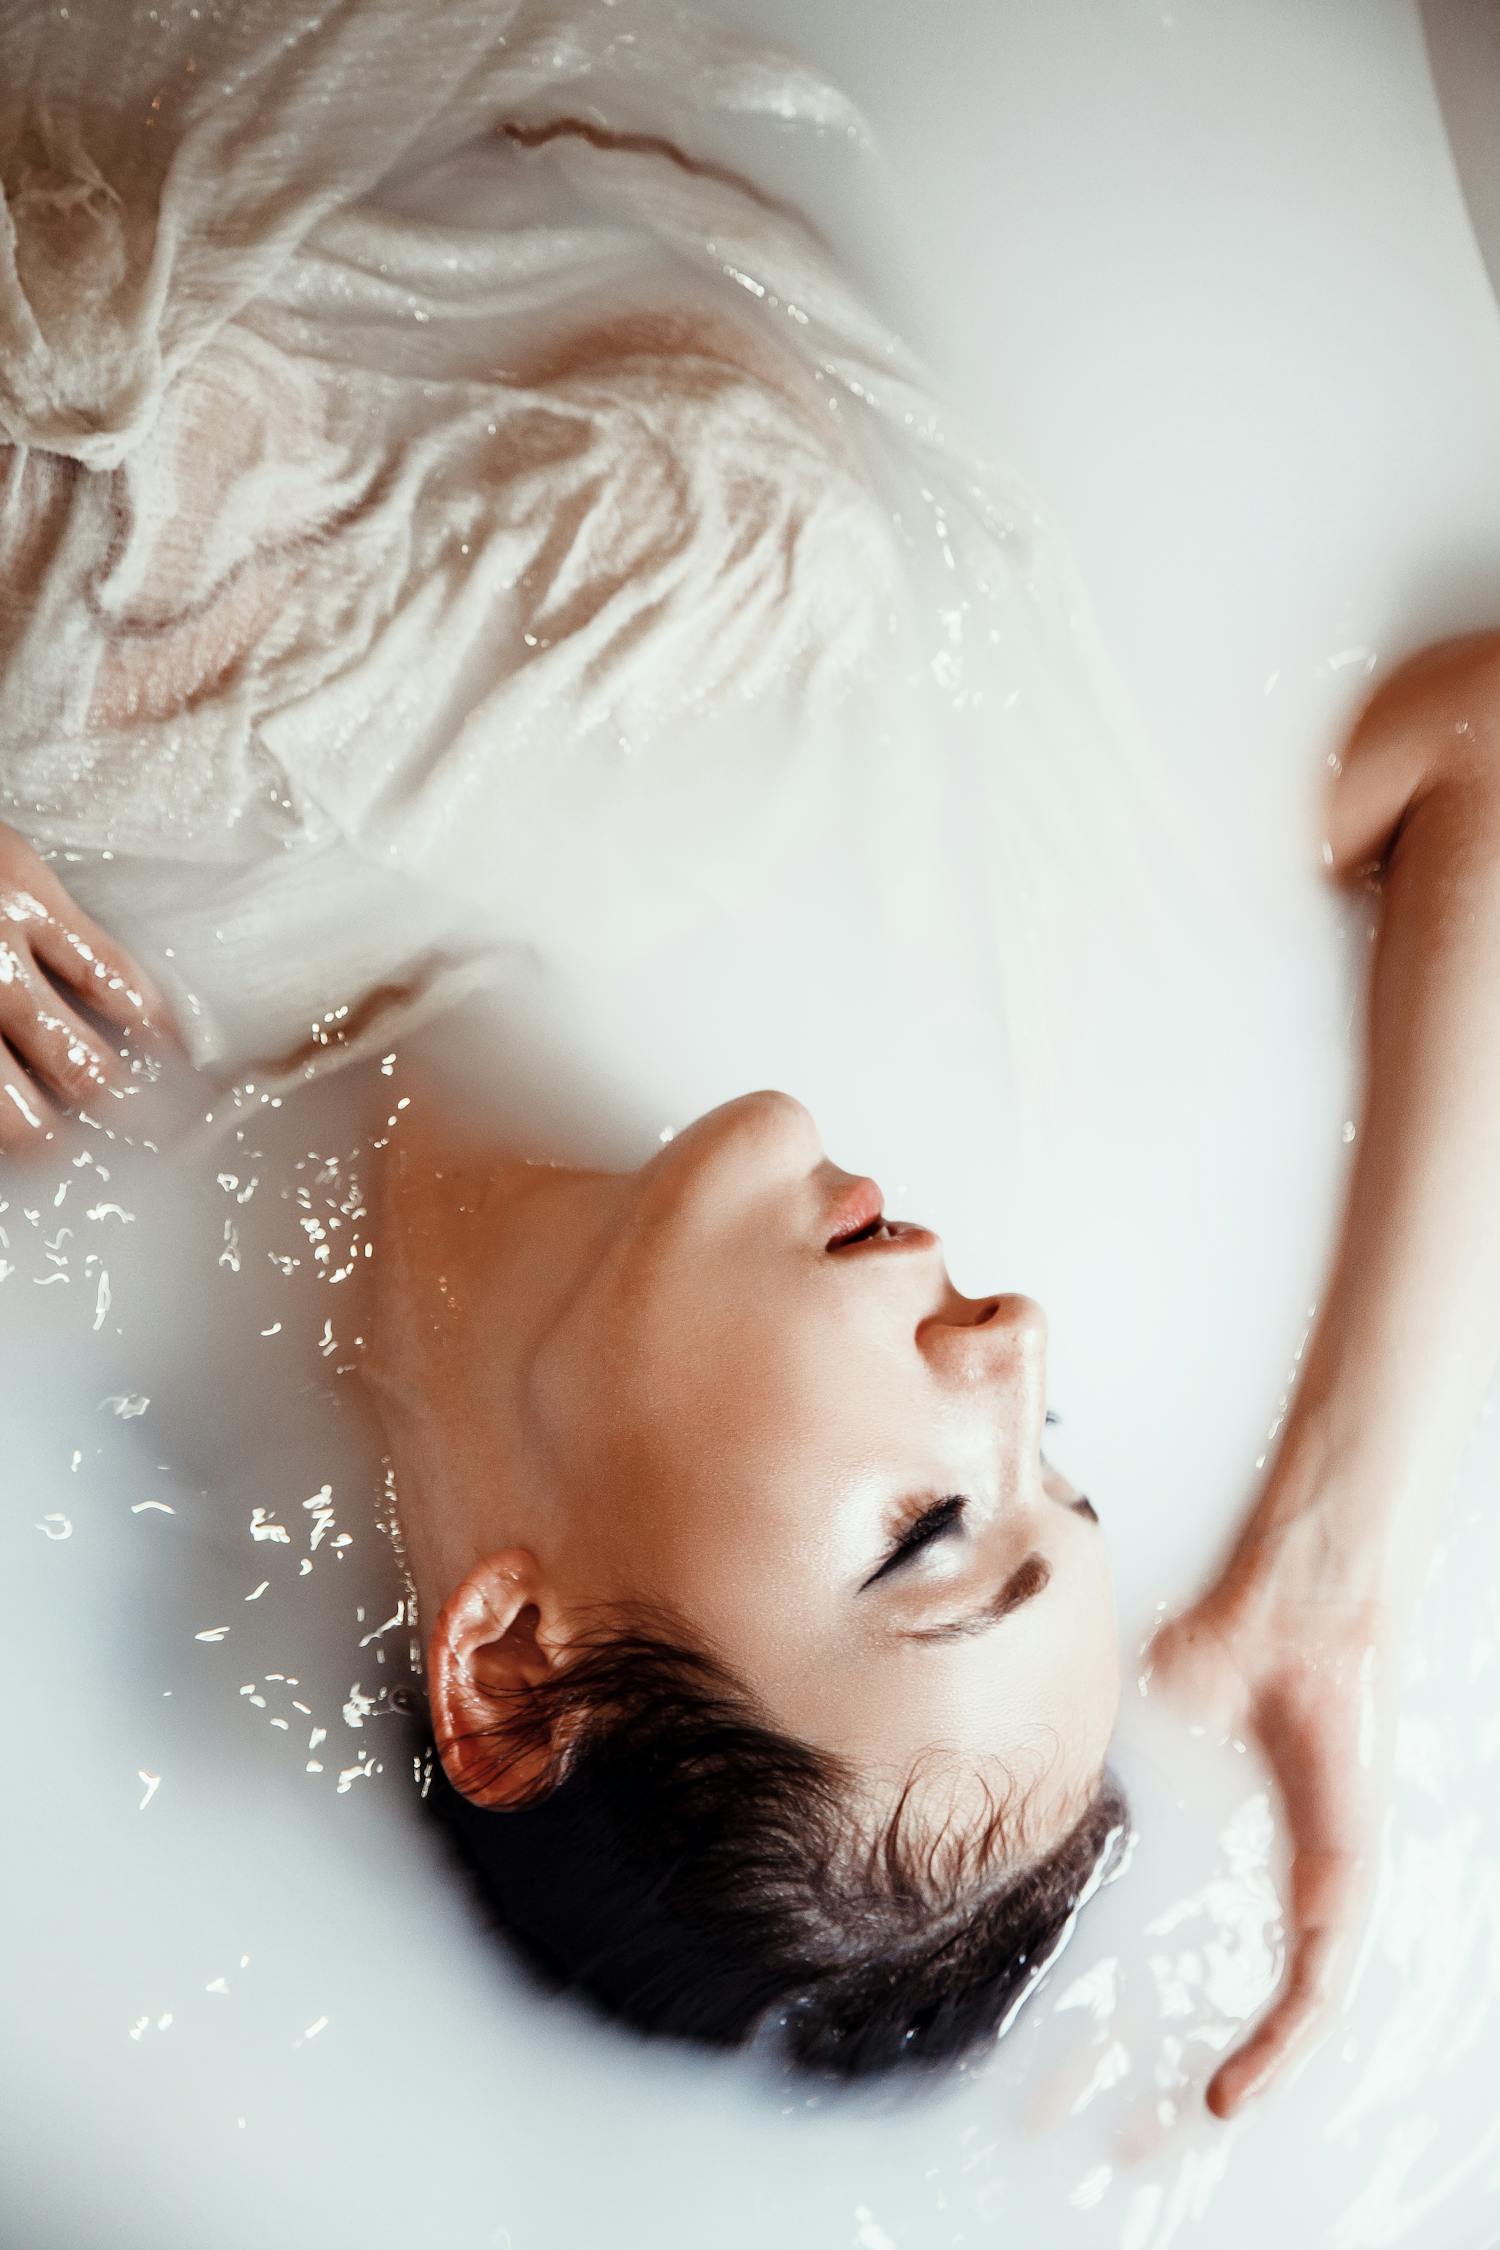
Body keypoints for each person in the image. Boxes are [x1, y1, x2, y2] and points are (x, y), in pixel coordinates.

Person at [2, 0, 1498, 2115]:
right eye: (1063, 1479)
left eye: (924, 1535)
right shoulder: (872, 859)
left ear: (515, 1662)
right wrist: (1339, 1559)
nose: (1014, 1339)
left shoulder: (67, 1001)